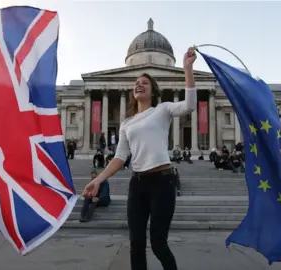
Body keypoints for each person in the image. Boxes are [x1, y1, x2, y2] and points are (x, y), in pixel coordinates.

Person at [82, 47, 197, 270]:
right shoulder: (126, 124)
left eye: (145, 82)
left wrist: (187, 69)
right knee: (136, 244)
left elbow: (190, 105)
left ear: (153, 91)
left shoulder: (163, 109)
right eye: (136, 82)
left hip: (163, 182)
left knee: (158, 244)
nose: (139, 84)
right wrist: (98, 180)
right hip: (138, 184)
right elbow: (120, 157)